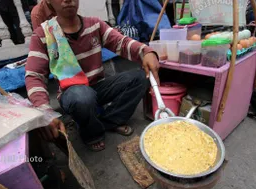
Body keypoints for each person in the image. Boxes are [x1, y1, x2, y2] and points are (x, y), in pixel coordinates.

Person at [25, 0, 160, 151]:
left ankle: (108, 121)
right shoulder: (43, 34)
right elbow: (34, 75)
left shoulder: (95, 24)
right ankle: (92, 133)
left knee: (141, 77)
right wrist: (45, 112)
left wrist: (146, 51)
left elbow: (121, 42)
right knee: (82, 97)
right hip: (72, 93)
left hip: (98, 86)